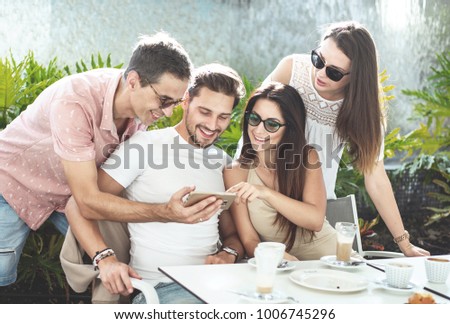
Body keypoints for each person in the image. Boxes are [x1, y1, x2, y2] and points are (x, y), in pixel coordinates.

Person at [0, 31, 198, 287]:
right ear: (134, 81)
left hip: (67, 194)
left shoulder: (141, 111)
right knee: (1, 273)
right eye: (163, 100)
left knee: (122, 248)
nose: (169, 111)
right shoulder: (76, 100)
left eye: (176, 102)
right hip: (12, 185)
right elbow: (88, 201)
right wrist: (165, 212)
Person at [235, 21, 429, 257]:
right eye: (318, 59)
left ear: (356, 76)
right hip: (261, 196)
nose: (320, 72)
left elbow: (375, 177)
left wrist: (403, 243)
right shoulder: (291, 69)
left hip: (313, 209)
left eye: (334, 72)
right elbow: (255, 123)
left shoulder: (362, 110)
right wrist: (241, 191)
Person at [62, 63, 246, 304]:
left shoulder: (223, 162)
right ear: (186, 101)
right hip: (161, 289)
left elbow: (232, 234)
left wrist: (228, 253)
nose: (213, 126)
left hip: (215, 288)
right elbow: (77, 205)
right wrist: (105, 259)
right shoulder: (145, 146)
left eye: (223, 116)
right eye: (205, 112)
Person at [225, 82, 334, 260]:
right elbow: (249, 240)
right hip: (283, 269)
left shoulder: (307, 158)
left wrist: (265, 193)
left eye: (272, 124)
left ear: (289, 128)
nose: (258, 130)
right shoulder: (236, 173)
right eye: (254, 118)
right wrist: (274, 257)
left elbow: (315, 221)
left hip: (332, 260)